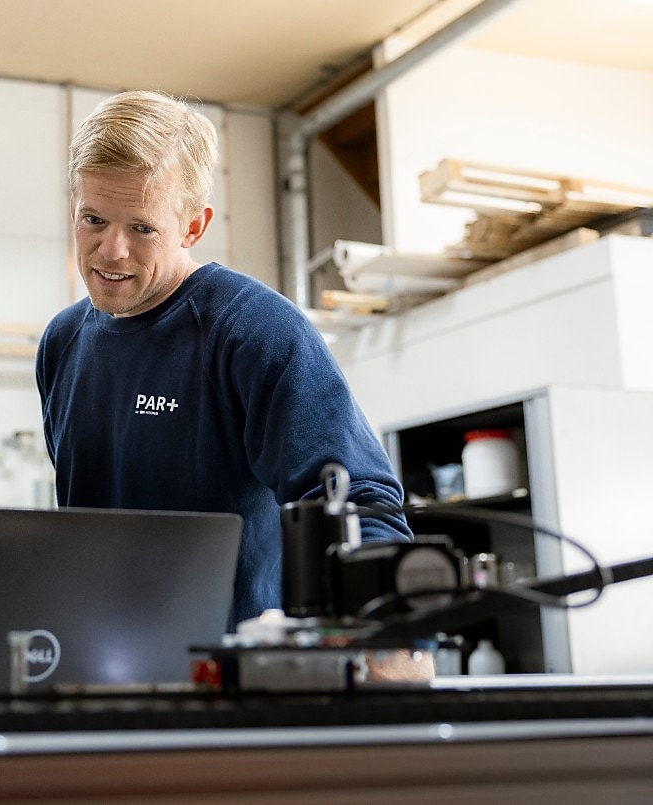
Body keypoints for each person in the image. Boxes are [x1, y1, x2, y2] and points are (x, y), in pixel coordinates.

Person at [35, 91, 411, 632]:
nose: (111, 250)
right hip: (98, 659)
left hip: (231, 673)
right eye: (93, 219)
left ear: (193, 226)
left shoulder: (251, 329)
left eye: (142, 228)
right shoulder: (62, 343)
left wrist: (389, 633)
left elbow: (358, 498)